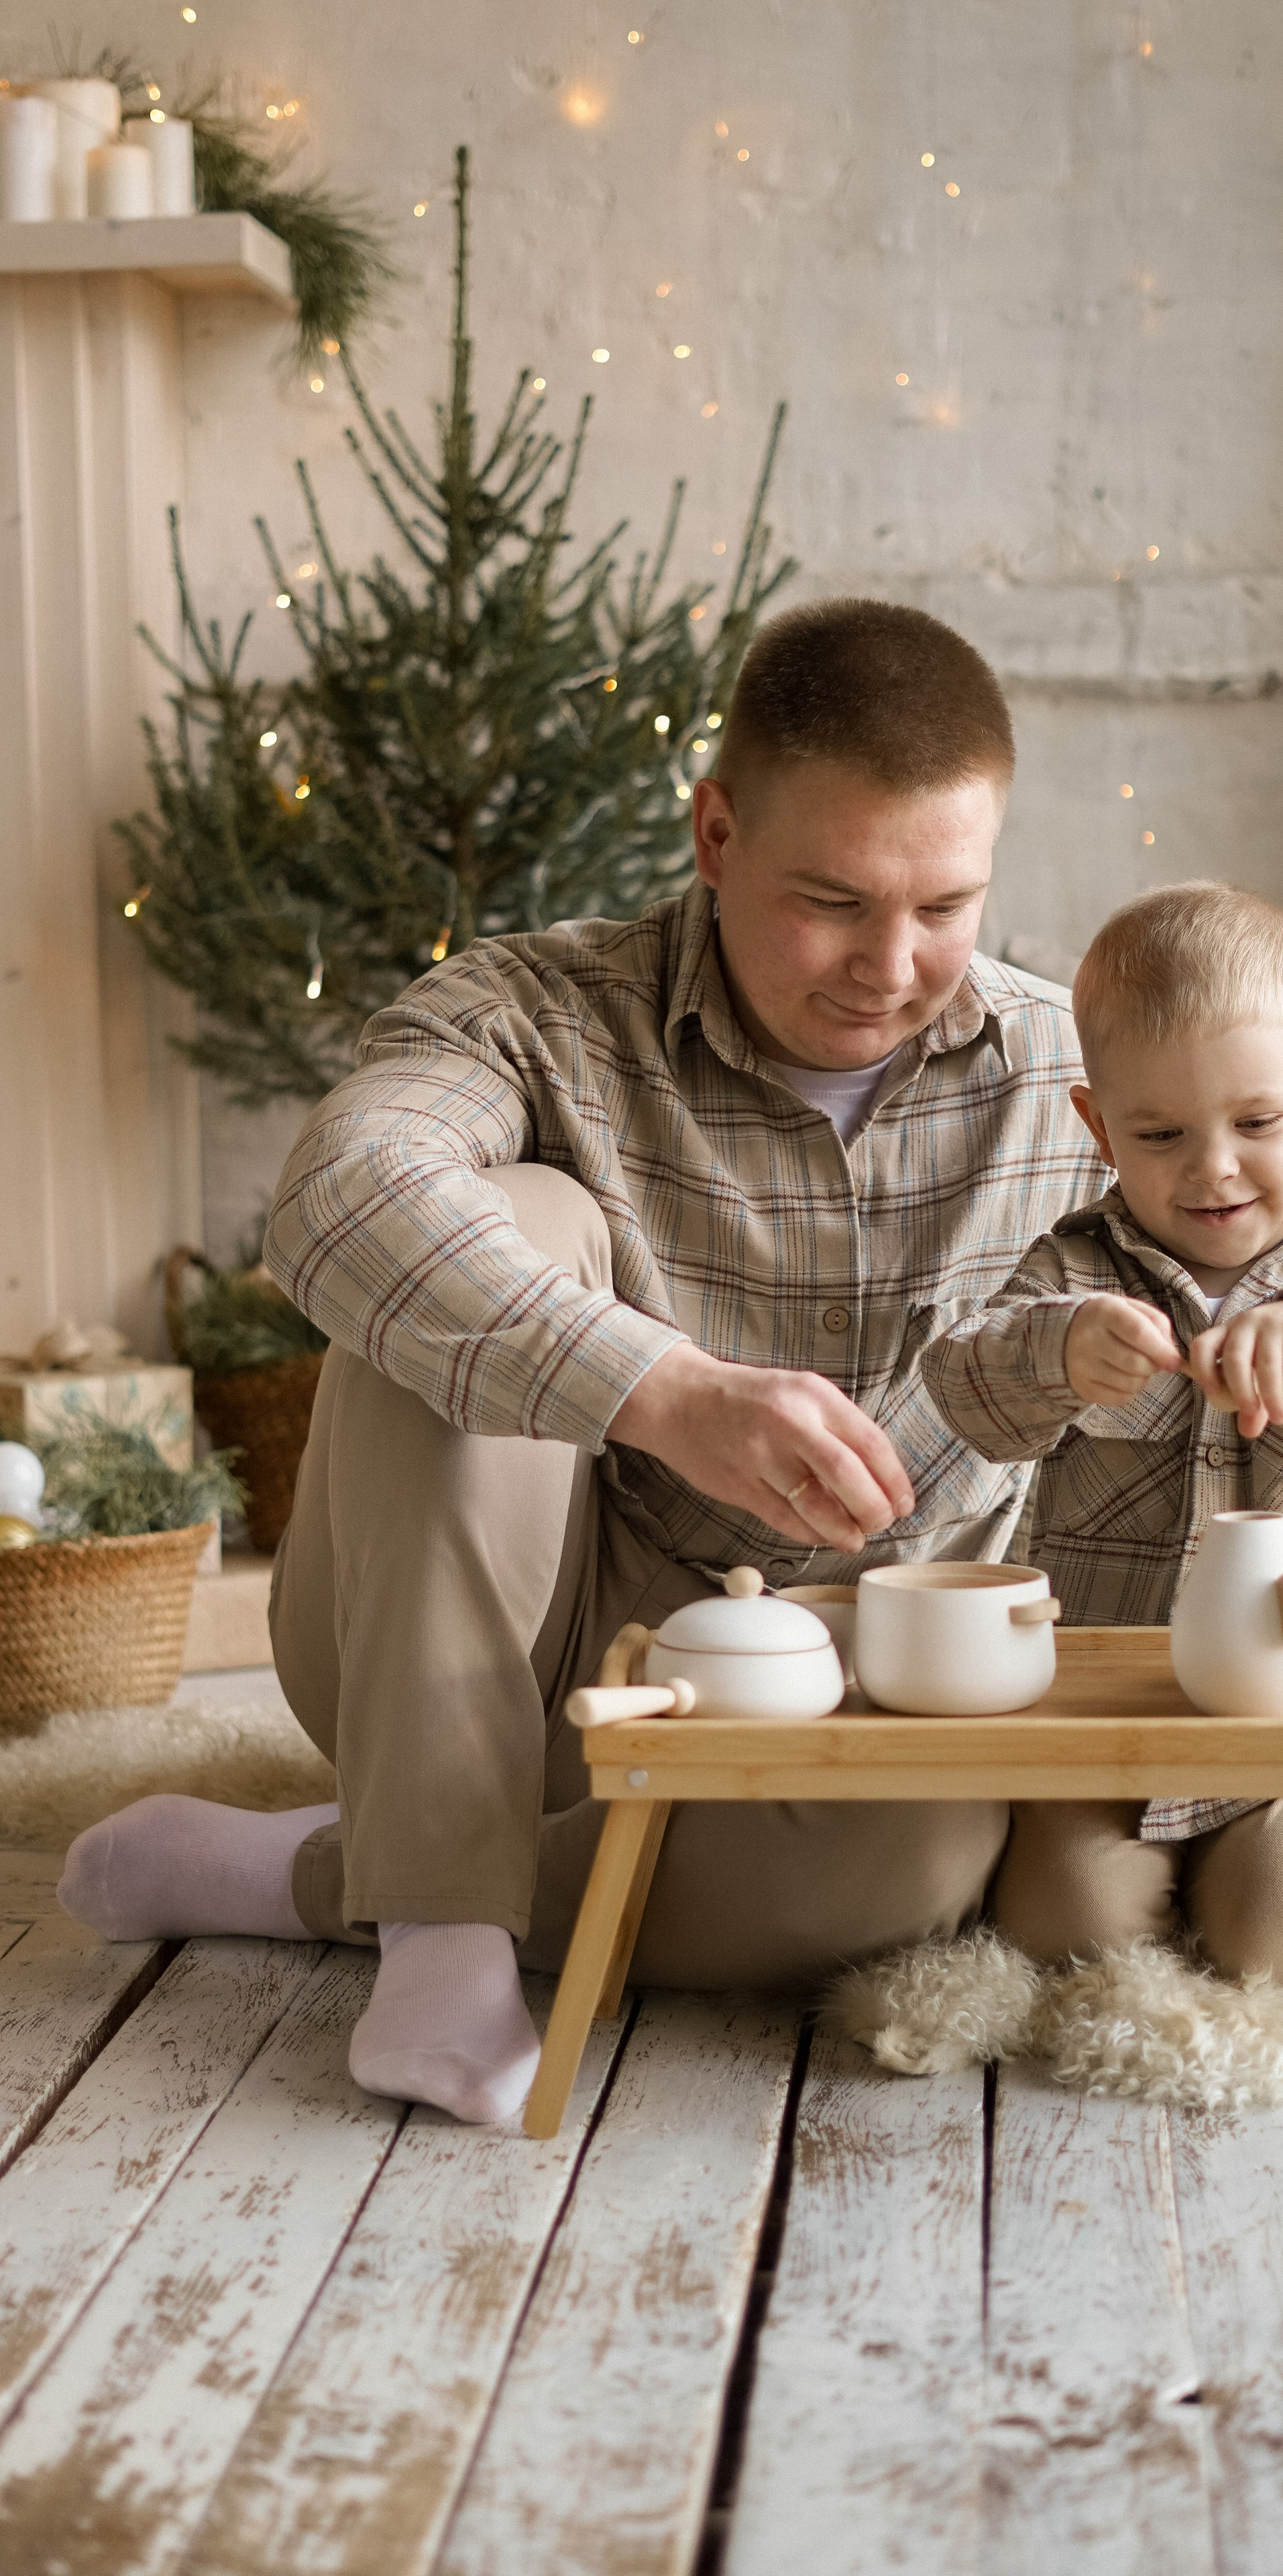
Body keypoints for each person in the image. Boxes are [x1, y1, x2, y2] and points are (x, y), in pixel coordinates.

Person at [58, 599, 1103, 2121]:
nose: (891, 965)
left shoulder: (1075, 1072)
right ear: (715, 834)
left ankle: (310, 1875)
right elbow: (337, 1199)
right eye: (831, 900)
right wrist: (661, 1392)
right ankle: (443, 1943)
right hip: (500, 1650)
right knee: (508, 1221)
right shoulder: (534, 1011)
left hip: (846, 1703)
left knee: (919, 1865)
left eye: (945, 905)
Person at [922, 880, 1283, 1982]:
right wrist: (1054, 1351)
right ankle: (1162, 1884)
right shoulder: (1078, 1269)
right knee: (1067, 1935)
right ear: (1101, 1127)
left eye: (1258, 1123)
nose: (1214, 1167)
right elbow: (958, 1384)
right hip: (1117, 1714)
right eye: (1161, 1134)